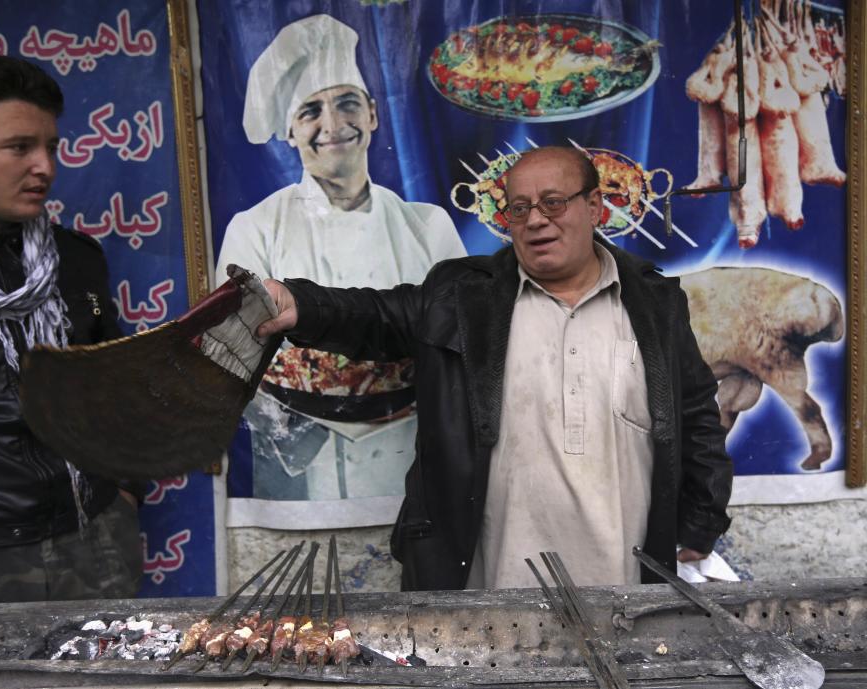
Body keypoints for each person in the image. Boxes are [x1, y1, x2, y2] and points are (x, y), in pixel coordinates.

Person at [256, 146, 734, 590]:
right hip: (488, 584)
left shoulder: (656, 304)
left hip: (623, 577)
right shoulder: (462, 298)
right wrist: (299, 302)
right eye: (520, 209)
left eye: (553, 203)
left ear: (594, 207)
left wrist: (702, 519)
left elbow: (696, 415)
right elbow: (376, 315)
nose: (535, 221)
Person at [0, 54, 141, 605]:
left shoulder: (74, 260)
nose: (45, 167)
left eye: (51, 148)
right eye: (19, 148)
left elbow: (112, 387)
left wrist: (124, 494)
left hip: (91, 540)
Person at [215, 14, 465, 505]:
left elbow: (459, 338)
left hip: (417, 446)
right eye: (310, 111)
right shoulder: (255, 227)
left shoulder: (427, 224)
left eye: (347, 103)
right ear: (289, 131)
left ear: (372, 113)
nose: (333, 125)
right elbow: (234, 350)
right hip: (296, 455)